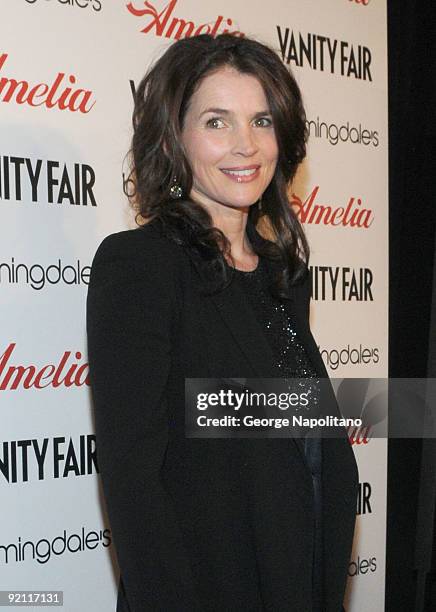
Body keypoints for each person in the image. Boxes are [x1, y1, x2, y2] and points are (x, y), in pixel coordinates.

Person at [87, 33, 358, 612]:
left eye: (261, 120)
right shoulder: (141, 265)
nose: (246, 145)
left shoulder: (283, 274)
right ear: (172, 138)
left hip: (301, 581)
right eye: (217, 122)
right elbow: (133, 478)